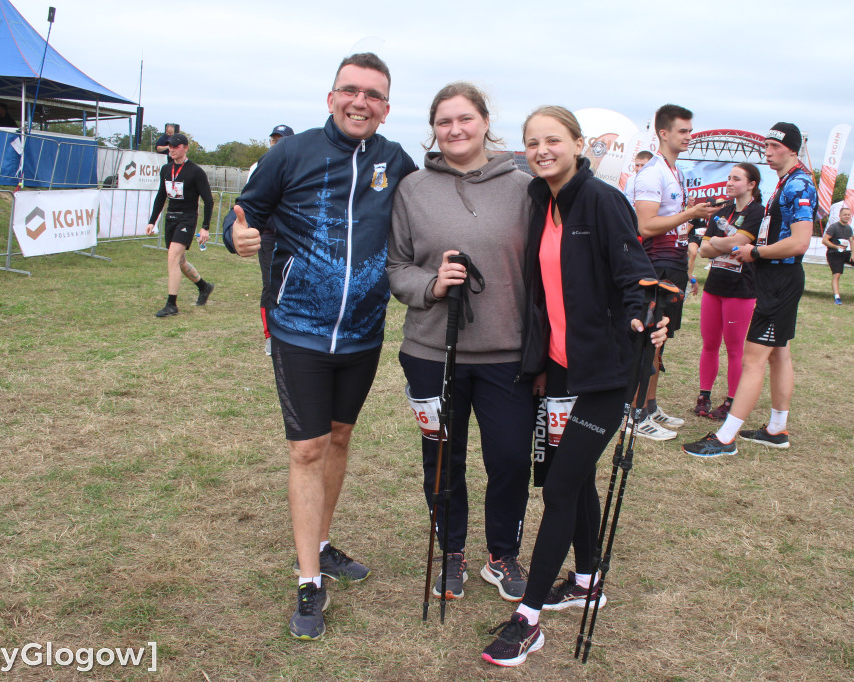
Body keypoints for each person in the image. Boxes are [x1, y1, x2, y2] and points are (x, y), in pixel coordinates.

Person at [223, 53, 418, 641]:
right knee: (306, 448)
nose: (361, 102)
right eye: (350, 91)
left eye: (374, 95)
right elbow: (246, 209)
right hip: (299, 329)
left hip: (362, 332)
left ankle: (323, 543)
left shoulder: (396, 162)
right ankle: (309, 580)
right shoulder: (292, 153)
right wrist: (238, 233)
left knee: (338, 438)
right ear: (331, 97)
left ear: (387, 107)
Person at [481, 106, 666, 667]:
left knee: (559, 489)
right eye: (532, 142)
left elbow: (636, 275)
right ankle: (586, 580)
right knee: (575, 478)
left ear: (578, 144)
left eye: (553, 140)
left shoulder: (602, 200)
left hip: (605, 373)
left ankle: (529, 618)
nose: (541, 150)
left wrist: (646, 319)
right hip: (559, 368)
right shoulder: (542, 200)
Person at [388, 82, 534, 604]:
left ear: (484, 121)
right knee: (443, 459)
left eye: (465, 119)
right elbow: (396, 266)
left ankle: (503, 553)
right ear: (433, 129)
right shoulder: (412, 189)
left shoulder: (523, 186)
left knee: (512, 458)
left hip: (508, 353)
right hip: (432, 351)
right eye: (444, 121)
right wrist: (430, 285)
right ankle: (451, 552)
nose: (455, 129)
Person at [682, 122, 816, 457]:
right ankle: (776, 428)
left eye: (776, 147)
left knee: (754, 359)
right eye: (767, 146)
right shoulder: (787, 182)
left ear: (793, 150)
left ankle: (726, 438)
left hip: (778, 280)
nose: (769, 152)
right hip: (775, 278)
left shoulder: (799, 183)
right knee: (779, 354)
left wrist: (755, 252)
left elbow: (800, 242)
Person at [631, 104, 719, 440]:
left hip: (675, 263)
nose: (689, 136)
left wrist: (695, 216)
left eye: (690, 130)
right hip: (656, 265)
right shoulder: (652, 172)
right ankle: (635, 413)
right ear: (663, 133)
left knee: (662, 340)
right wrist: (688, 214)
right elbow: (646, 224)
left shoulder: (675, 171)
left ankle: (650, 405)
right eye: (683, 130)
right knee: (648, 339)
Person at [693, 164, 764, 421]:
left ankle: (732, 400)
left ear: (752, 184)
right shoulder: (723, 211)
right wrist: (725, 245)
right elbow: (703, 249)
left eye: (736, 178)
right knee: (709, 344)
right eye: (729, 178)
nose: (730, 182)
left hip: (741, 290)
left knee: (734, 349)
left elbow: (740, 242)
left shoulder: (758, 212)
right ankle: (704, 396)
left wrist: (719, 244)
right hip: (714, 287)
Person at [145, 132, 215, 317]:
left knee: (173, 257)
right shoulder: (166, 169)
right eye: (170, 146)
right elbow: (161, 196)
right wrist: (152, 220)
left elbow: (208, 201)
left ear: (185, 148)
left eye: (176, 147)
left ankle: (171, 304)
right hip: (171, 218)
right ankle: (204, 286)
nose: (172, 150)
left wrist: (205, 227)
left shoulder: (195, 171)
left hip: (187, 218)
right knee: (180, 261)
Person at [245, 124, 295, 356]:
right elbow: (250, 201)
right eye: (274, 140)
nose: (277, 144)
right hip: (267, 236)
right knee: (269, 285)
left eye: (282, 140)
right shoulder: (259, 166)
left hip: (293, 235)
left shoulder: (300, 165)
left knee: (294, 284)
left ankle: (292, 331)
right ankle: (270, 336)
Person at [821, 207, 854, 304]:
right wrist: (836, 247)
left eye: (848, 215)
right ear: (840, 216)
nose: (847, 216)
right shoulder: (834, 227)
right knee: (837, 274)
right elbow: (824, 240)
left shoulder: (849, 228)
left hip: (845, 253)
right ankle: (837, 297)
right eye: (845, 214)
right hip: (834, 253)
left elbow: (851, 241)